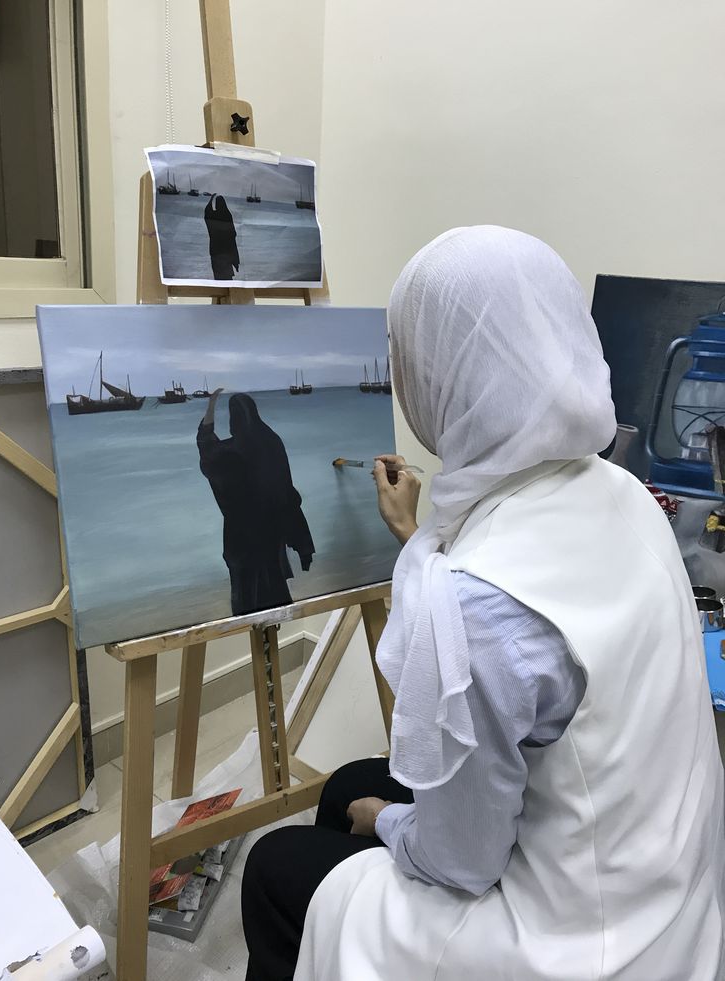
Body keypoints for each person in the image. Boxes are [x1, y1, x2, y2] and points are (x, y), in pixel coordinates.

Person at [241, 226, 725, 981]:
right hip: (667, 896)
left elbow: (462, 861)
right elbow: (518, 629)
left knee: (276, 863)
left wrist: (388, 824)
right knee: (341, 786)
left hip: (567, 942)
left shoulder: (476, 600)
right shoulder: (623, 493)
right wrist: (415, 533)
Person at [197, 389, 314, 616]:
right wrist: (301, 542)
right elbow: (287, 492)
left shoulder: (231, 453)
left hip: (241, 539)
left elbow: (206, 447)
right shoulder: (271, 442)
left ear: (234, 418)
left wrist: (210, 407)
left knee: (246, 597)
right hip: (272, 533)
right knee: (275, 588)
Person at [204, 194, 240, 279]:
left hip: (216, 252)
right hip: (227, 253)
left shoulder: (213, 216)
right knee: (227, 277)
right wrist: (235, 260)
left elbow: (207, 212)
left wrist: (211, 199)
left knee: (218, 277)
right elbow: (233, 235)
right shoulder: (227, 215)